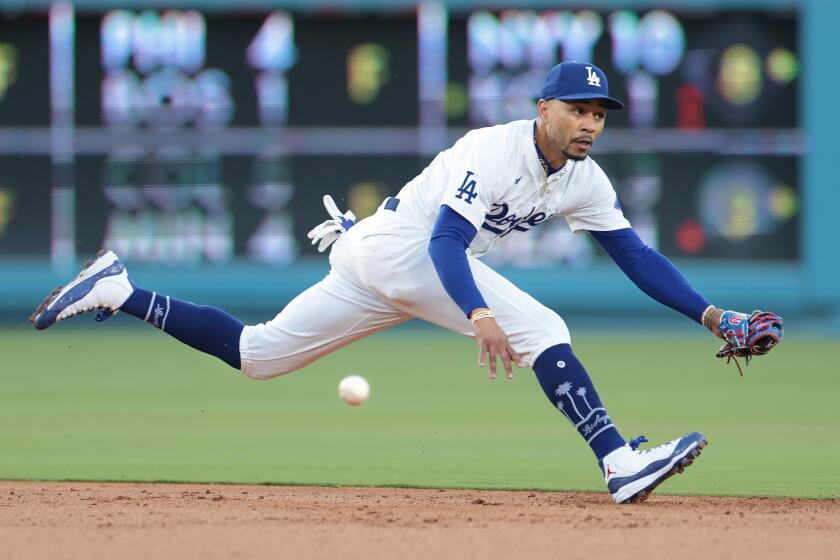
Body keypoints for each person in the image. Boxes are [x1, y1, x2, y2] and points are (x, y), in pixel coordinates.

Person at [31, 61, 782, 504]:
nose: (588, 123)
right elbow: (448, 243)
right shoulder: (493, 152)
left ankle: (119, 290)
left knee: (258, 356)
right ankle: (619, 462)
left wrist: (714, 317)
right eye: (575, 109)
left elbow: (638, 257)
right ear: (541, 107)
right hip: (404, 253)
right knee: (543, 329)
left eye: (597, 113)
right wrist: (480, 312)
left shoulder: (582, 179)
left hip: (377, 259)